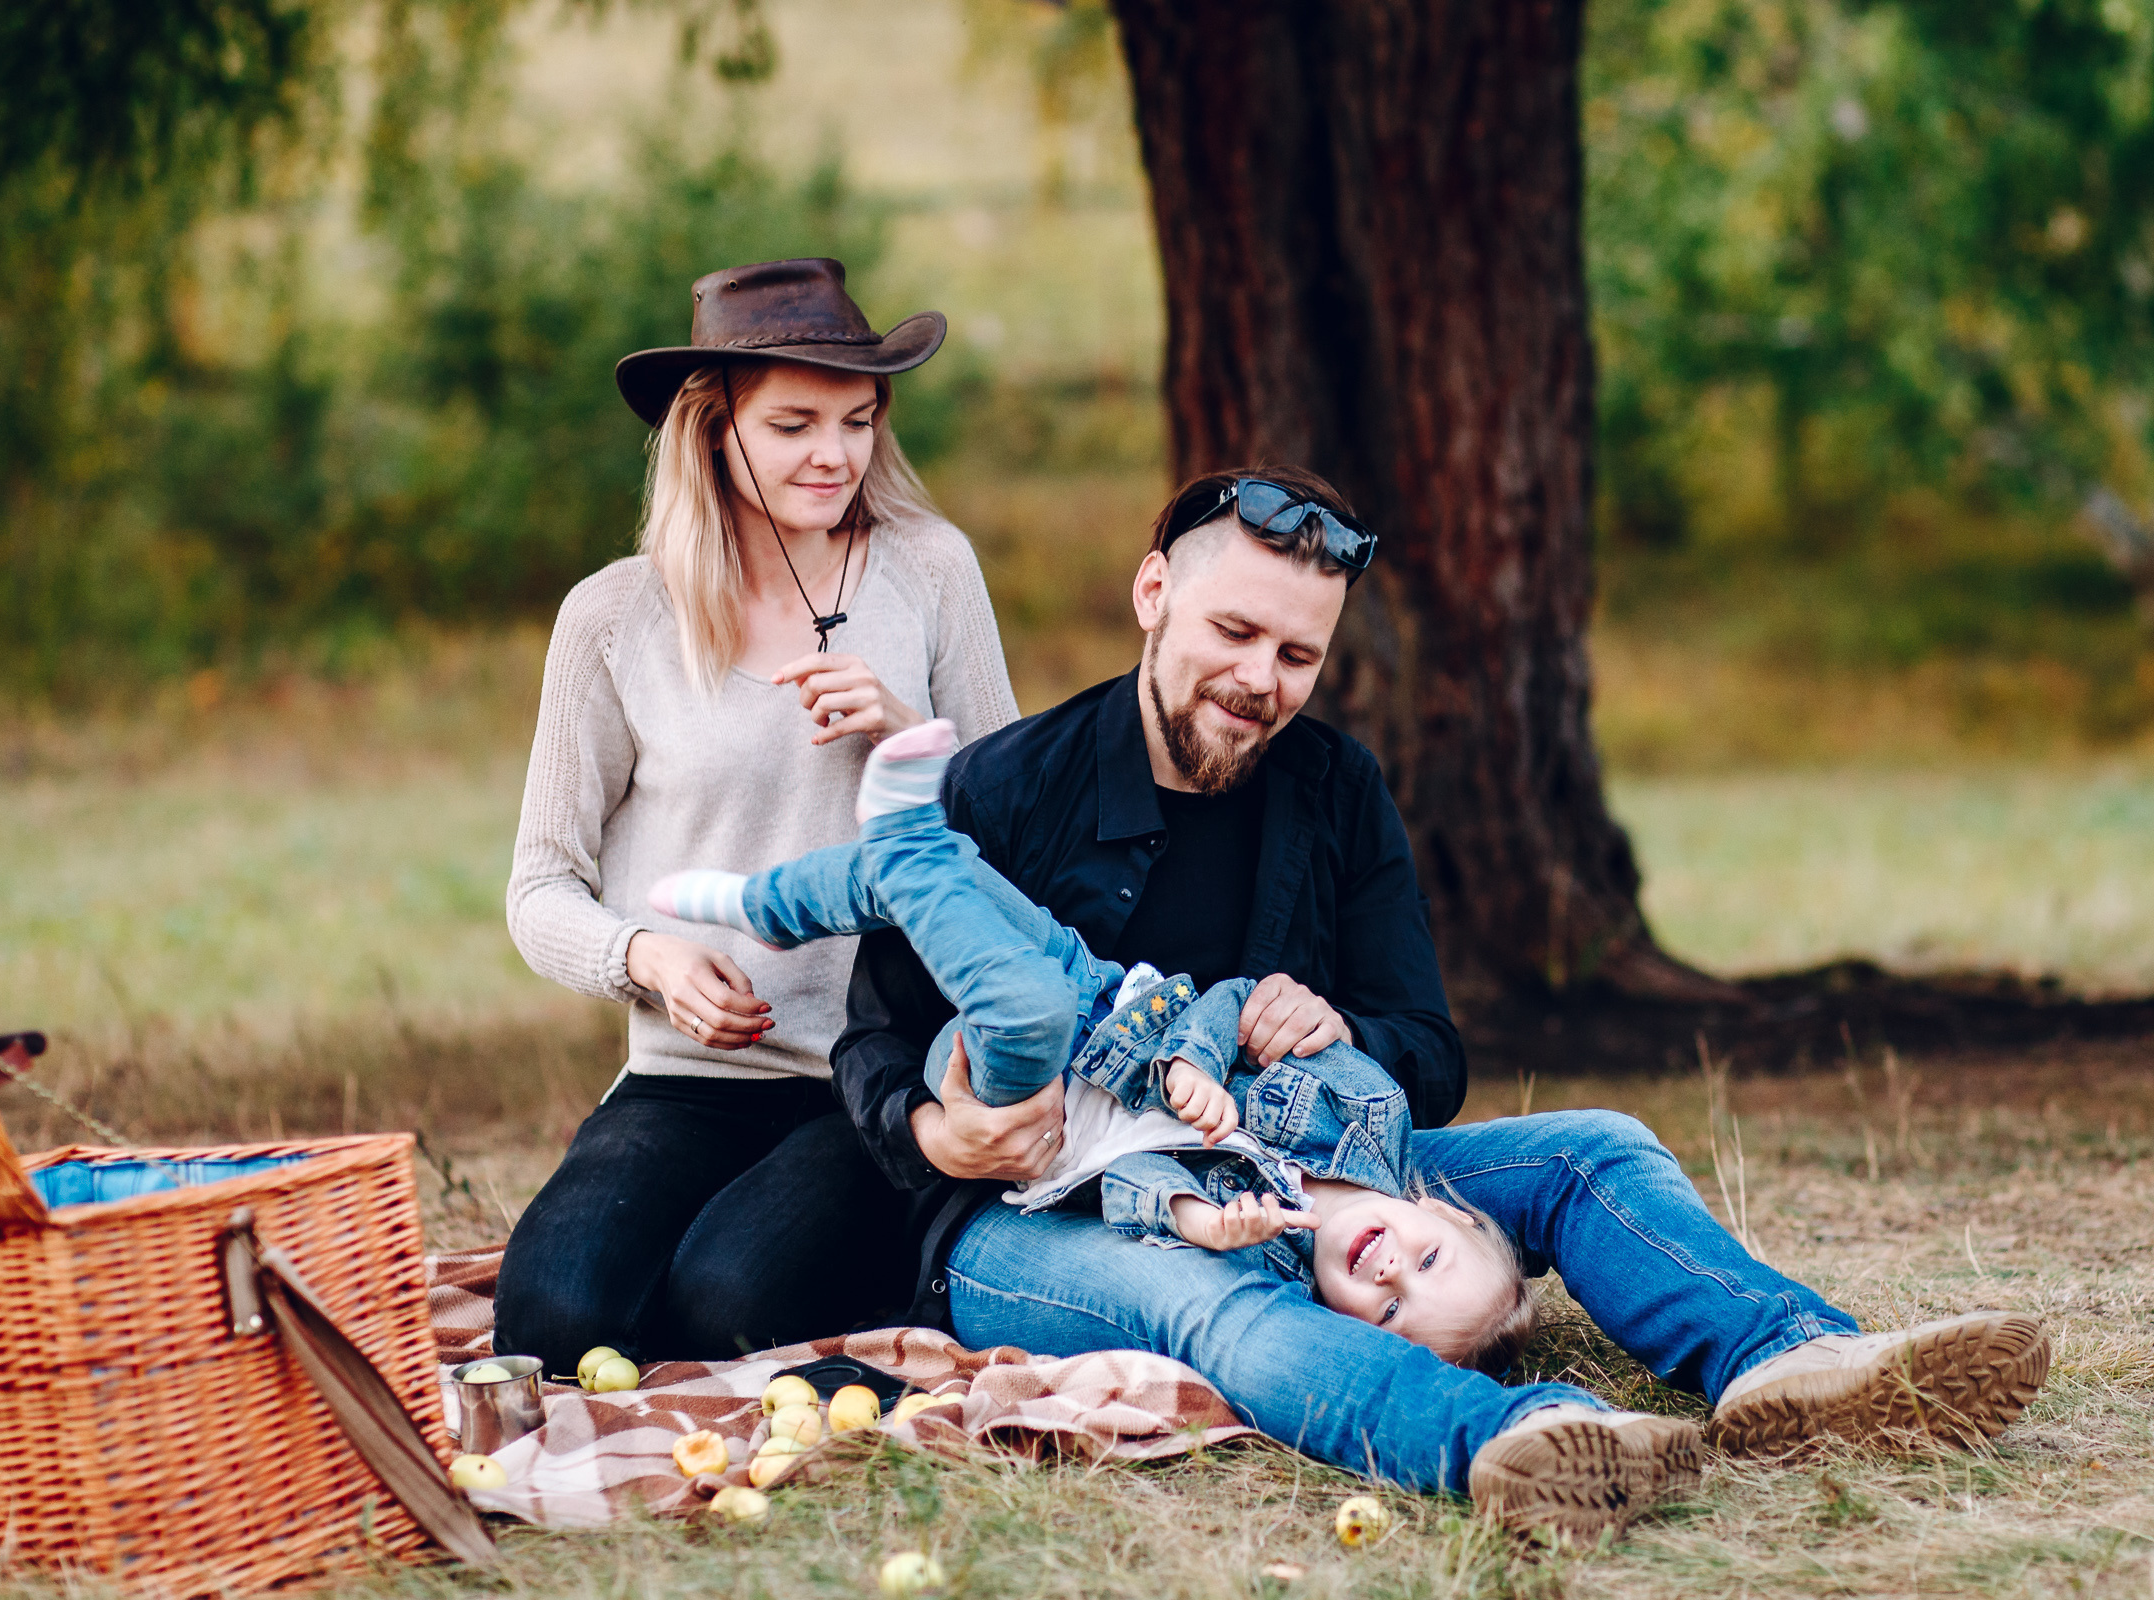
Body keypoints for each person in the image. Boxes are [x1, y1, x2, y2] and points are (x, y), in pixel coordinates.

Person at [829, 465, 2050, 1540]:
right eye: (1235, 630)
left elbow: (1429, 1051)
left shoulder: (1337, 788)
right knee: (1215, 1296)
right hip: (1052, 1221)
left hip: (1312, 1157)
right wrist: (941, 1132)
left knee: (1592, 1147)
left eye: (1298, 655)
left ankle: (1793, 1360)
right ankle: (1515, 1440)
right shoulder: (1006, 787)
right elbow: (872, 1037)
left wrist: (1346, 1031)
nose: (1261, 680)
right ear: (1153, 594)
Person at [494, 258, 1019, 1371]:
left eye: (858, 419)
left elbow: (1018, 833)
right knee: (550, 1323)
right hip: (688, 1078)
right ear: (714, 425)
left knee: (723, 1304)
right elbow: (539, 887)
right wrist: (649, 957)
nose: (834, 455)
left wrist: (905, 730)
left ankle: (929, 1239)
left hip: (877, 1077)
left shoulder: (928, 569)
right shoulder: (613, 618)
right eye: (793, 424)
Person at [649, 716, 1533, 1371]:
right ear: (1448, 1212)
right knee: (961, 882)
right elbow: (1231, 999)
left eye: (1387, 1311)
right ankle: (776, 905)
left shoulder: (1264, 1256)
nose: (1388, 1272)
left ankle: (897, 850)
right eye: (1426, 1260)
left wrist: (1203, 1221)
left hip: (1029, 1097)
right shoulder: (1368, 1109)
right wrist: (1192, 1057)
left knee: (1018, 1003)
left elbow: (1126, 1186)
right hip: (1108, 1001)